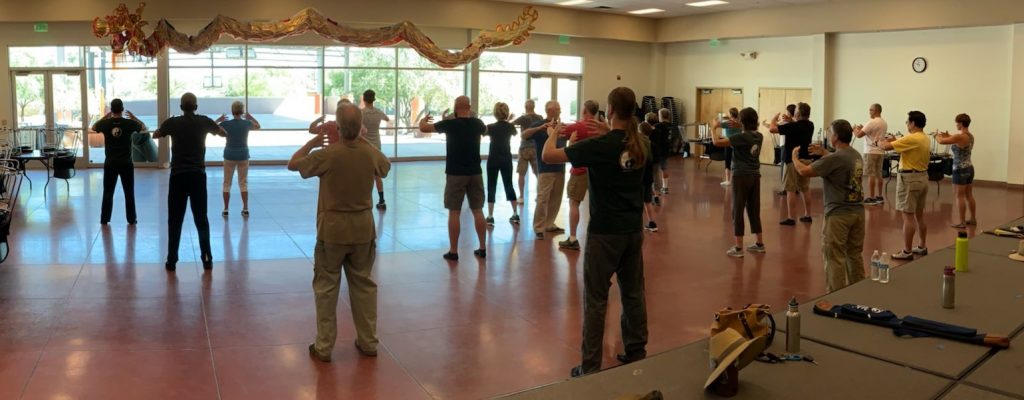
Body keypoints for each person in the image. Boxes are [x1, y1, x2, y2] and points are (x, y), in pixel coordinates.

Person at [541, 86, 648, 378]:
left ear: (609, 111)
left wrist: (552, 131)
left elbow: (549, 155)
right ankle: (637, 351)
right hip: (632, 230)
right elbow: (621, 146)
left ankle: (590, 366)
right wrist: (607, 131)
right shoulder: (642, 143)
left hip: (605, 234)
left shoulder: (599, 147)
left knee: (596, 299)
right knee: (634, 293)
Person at [288, 102, 391, 363]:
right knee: (364, 285)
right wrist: (364, 141)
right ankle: (368, 342)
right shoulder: (369, 154)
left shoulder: (329, 155)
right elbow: (386, 167)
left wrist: (313, 141)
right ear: (359, 128)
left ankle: (324, 347)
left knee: (326, 288)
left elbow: (293, 164)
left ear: (338, 127)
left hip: (332, 231)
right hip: (362, 230)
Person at [153, 93, 227, 272]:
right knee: (201, 218)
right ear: (196, 106)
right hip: (197, 176)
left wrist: (167, 127)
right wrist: (213, 127)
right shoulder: (204, 121)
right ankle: (207, 258)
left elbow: (156, 135)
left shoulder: (173, 123)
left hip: (178, 176)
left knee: (175, 219)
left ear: (180, 107)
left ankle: (171, 260)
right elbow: (223, 133)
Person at [793, 120, 865, 292]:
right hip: (857, 212)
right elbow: (837, 163)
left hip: (838, 214)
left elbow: (804, 171)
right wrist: (825, 152)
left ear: (836, 137)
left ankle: (836, 297)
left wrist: (794, 157)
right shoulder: (854, 155)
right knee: (854, 255)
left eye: (830, 132)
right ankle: (860, 291)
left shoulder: (835, 158)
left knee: (834, 258)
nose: (828, 135)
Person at [419, 96, 488, 260]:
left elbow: (424, 128)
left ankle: (454, 251)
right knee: (478, 210)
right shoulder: (478, 124)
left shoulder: (450, 124)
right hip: (475, 173)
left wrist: (423, 119)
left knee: (454, 212)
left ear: (455, 107)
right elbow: (485, 131)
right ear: (470, 107)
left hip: (456, 173)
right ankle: (483, 248)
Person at [710, 108, 765, 257]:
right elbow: (744, 133)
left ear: (742, 122)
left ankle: (738, 248)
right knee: (754, 209)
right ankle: (760, 244)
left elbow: (716, 142)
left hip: (741, 176)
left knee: (737, 210)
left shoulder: (741, 137)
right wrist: (737, 123)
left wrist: (713, 127)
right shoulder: (758, 136)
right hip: (755, 175)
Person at [879, 111, 931, 260]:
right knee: (919, 215)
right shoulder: (924, 138)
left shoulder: (911, 138)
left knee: (907, 216)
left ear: (913, 123)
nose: (907, 124)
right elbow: (903, 145)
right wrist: (895, 140)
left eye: (908, 122)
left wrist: (879, 141)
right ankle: (921, 246)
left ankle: (907, 251)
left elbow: (886, 147)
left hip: (909, 179)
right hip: (922, 177)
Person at [92, 98, 146, 225]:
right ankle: (132, 219)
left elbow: (94, 127)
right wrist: (134, 117)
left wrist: (105, 117)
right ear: (122, 109)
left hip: (110, 163)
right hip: (126, 163)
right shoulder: (128, 123)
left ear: (111, 110)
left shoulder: (106, 123)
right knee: (129, 193)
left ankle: (104, 219)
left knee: (108, 192)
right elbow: (143, 127)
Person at [558, 100, 601, 250]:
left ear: (584, 111)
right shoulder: (599, 128)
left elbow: (560, 131)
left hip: (580, 170)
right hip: (595, 170)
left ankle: (573, 238)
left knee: (574, 203)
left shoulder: (580, 126)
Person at [522, 101, 568, 239]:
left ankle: (549, 224)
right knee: (543, 198)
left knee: (556, 197)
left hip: (560, 166)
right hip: (545, 168)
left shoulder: (562, 126)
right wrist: (540, 128)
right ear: (549, 110)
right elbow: (524, 135)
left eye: (559, 109)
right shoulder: (540, 125)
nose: (560, 111)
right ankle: (539, 227)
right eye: (557, 109)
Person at [216, 101, 261, 217]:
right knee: (243, 182)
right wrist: (251, 117)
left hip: (229, 155)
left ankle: (225, 209)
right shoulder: (247, 123)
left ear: (232, 110)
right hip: (243, 155)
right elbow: (258, 126)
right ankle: (245, 208)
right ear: (242, 111)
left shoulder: (226, 124)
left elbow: (213, 127)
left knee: (227, 183)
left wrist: (219, 119)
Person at [771, 102, 814, 225]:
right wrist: (792, 120)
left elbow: (772, 129)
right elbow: (798, 125)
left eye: (796, 110)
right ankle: (808, 215)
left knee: (790, 189)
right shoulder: (810, 125)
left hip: (792, 160)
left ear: (798, 113)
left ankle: (791, 218)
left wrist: (774, 118)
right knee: (805, 188)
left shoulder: (792, 127)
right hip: (806, 159)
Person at [936, 114, 976, 229]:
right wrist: (947, 135)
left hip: (959, 169)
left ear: (961, 123)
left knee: (959, 196)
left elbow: (941, 141)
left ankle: (962, 222)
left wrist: (937, 136)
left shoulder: (960, 137)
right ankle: (972, 218)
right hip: (969, 168)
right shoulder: (969, 136)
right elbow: (955, 139)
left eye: (957, 123)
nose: (956, 125)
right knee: (969, 195)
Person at [483, 102, 520, 226]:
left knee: (491, 185)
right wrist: (509, 120)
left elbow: (484, 133)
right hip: (506, 159)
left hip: (493, 159)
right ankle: (515, 214)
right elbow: (513, 132)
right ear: (507, 112)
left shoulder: (491, 127)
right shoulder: (510, 127)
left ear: (495, 113)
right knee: (508, 185)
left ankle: (490, 216)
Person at [362, 89, 391, 210]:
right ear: (374, 99)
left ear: (364, 99)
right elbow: (387, 118)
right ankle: (382, 200)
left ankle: (363, 200)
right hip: (377, 146)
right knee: (377, 174)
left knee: (363, 173)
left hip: (365, 145)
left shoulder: (361, 113)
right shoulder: (378, 112)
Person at [853, 104, 888, 205]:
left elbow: (859, 135)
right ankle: (880, 197)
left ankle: (872, 197)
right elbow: (871, 132)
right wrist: (863, 128)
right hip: (880, 151)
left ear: (876, 111)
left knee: (871, 175)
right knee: (878, 174)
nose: (869, 112)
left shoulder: (872, 122)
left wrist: (854, 129)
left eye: (871, 110)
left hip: (870, 151)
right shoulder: (883, 123)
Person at [513, 100, 545, 204]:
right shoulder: (540, 118)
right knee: (538, 173)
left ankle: (521, 197)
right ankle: (539, 195)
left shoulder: (523, 118)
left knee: (521, 173)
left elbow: (511, 124)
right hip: (536, 148)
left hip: (524, 148)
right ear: (534, 106)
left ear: (525, 107)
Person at [639, 119, 659, 232]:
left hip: (641, 177)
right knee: (647, 201)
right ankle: (652, 223)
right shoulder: (653, 145)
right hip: (649, 176)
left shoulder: (641, 145)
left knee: (638, 201)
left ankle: (636, 224)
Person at [714, 108, 741, 187]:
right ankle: (735, 180)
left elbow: (715, 124)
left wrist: (719, 117)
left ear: (731, 114)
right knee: (736, 162)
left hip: (728, 143)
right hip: (737, 144)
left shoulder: (728, 123)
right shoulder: (739, 123)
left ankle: (728, 180)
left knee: (728, 162)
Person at [651, 109, 673, 195]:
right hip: (666, 150)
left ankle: (655, 188)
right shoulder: (670, 125)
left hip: (658, 150)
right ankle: (665, 187)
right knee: (664, 168)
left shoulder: (658, 125)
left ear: (661, 116)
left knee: (655, 170)